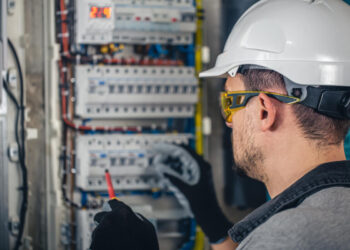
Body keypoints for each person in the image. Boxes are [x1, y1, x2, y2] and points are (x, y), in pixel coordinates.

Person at [90, 0, 350, 249]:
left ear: (263, 110)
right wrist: (210, 218)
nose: (228, 122)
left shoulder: (286, 237)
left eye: (230, 102)